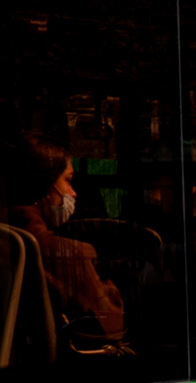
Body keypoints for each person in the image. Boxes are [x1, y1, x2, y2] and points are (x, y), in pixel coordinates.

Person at [11, 136, 125, 339]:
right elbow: (111, 324)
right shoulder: (68, 254)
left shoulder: (3, 233)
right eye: (68, 181)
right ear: (46, 184)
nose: (73, 193)